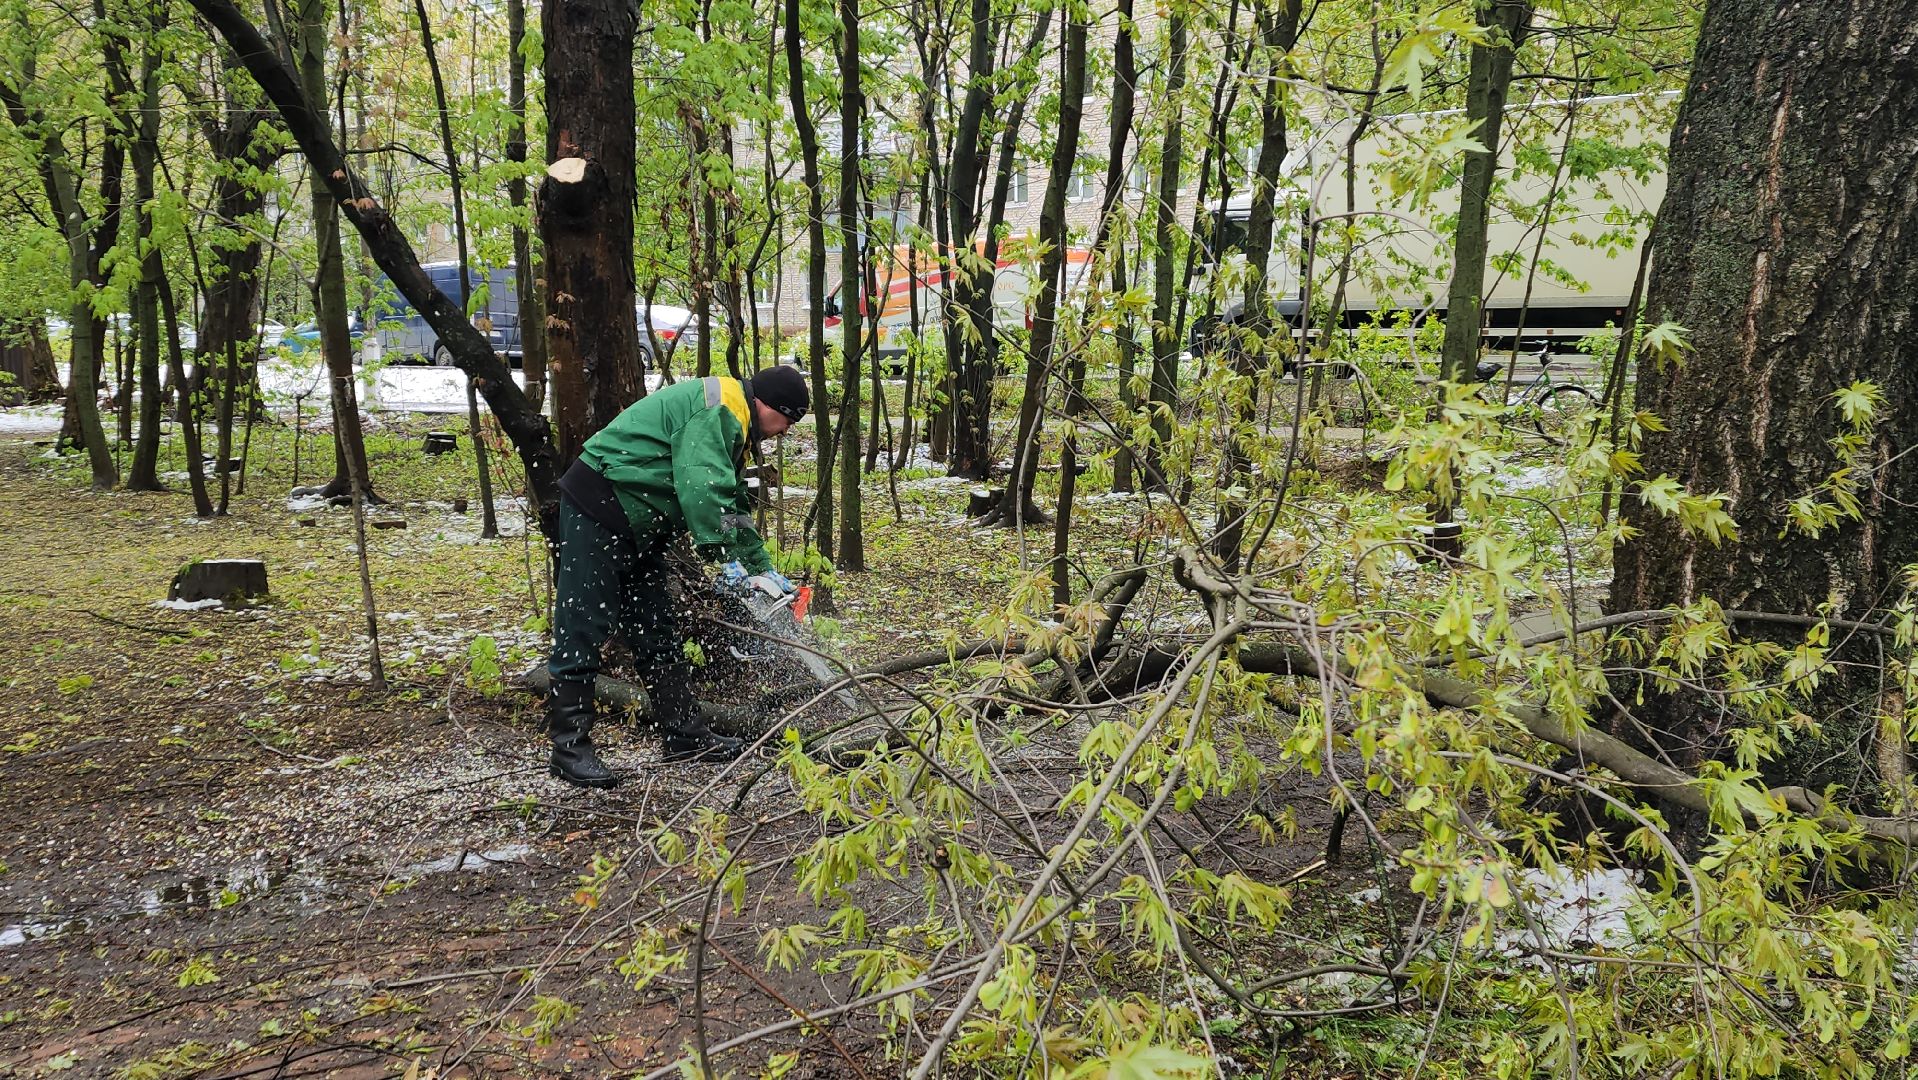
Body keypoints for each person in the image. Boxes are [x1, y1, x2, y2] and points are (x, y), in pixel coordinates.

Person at [544, 365, 809, 787]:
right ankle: (568, 747)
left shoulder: (734, 418)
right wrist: (728, 564)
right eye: (786, 421)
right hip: (599, 508)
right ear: (769, 405)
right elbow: (702, 491)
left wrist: (762, 568)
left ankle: (684, 734)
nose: (783, 432)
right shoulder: (722, 409)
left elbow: (732, 503)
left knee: (656, 628)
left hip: (638, 524)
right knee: (583, 625)